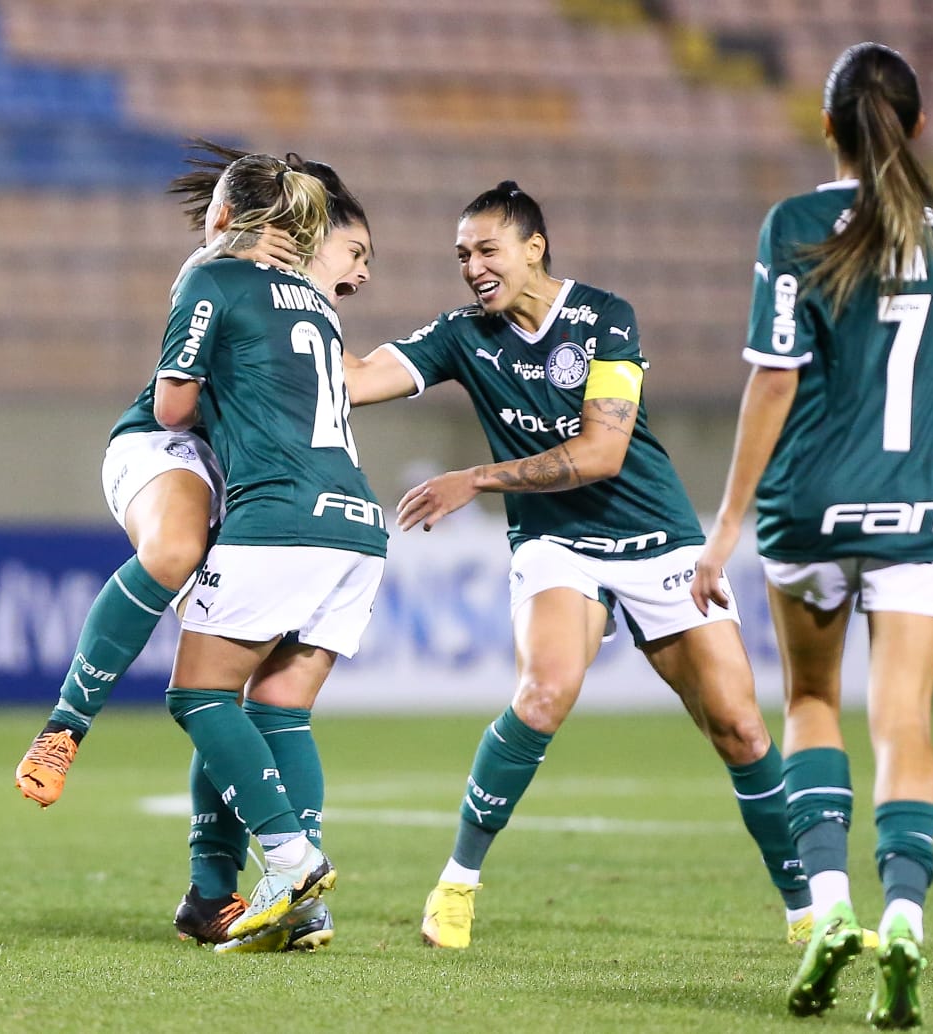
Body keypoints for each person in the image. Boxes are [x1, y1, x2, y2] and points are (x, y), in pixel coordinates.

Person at [343, 182, 813, 951]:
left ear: (535, 246)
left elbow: (603, 452)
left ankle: (806, 912)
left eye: (486, 249)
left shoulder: (605, 318)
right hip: (557, 545)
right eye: (462, 255)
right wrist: (294, 297)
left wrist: (478, 480)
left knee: (738, 724)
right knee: (544, 692)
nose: (472, 267)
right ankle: (457, 886)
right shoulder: (465, 335)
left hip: (657, 536)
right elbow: (359, 380)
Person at [689, 43, 933, 1028]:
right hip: (922, 514)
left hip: (808, 509)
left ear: (825, 126)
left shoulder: (796, 223)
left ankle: (827, 903)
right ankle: (902, 917)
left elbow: (771, 376)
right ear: (918, 127)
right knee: (904, 724)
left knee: (807, 697)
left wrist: (723, 527)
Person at [11, 142, 373, 951]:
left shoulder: (299, 304)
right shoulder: (226, 278)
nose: (362, 274)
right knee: (177, 559)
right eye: (357, 252)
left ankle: (226, 891)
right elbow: (176, 403)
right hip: (173, 450)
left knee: (220, 696)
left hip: (269, 498)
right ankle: (66, 725)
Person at [152, 152, 386, 951]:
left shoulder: (214, 280)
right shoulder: (316, 307)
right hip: (358, 522)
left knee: (199, 696)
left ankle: (289, 860)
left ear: (225, 217)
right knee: (280, 708)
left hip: (280, 517)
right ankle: (299, 908)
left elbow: (173, 406)